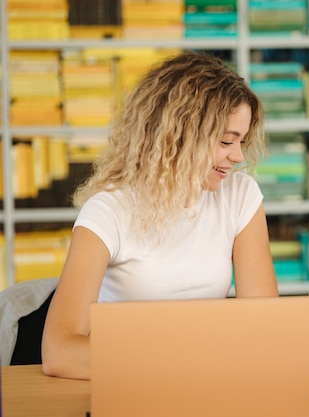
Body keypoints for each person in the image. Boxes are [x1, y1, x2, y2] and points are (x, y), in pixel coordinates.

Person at [42, 51, 279, 380]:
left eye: (242, 141)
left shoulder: (240, 196)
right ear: (179, 135)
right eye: (226, 141)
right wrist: (179, 363)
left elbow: (265, 327)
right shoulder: (109, 211)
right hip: (133, 384)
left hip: (206, 381)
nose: (238, 156)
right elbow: (59, 351)